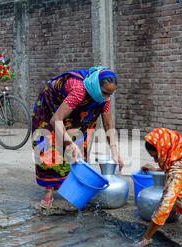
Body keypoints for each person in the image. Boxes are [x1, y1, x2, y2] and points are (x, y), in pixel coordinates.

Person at [32, 67, 124, 209]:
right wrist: (68, 143)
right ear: (96, 85)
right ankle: (49, 190)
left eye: (110, 94)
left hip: (77, 109)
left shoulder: (103, 98)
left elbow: (108, 124)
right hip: (52, 106)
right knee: (49, 143)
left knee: (79, 143)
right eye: (105, 93)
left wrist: (114, 152)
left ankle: (72, 185)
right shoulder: (79, 89)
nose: (107, 97)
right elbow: (55, 119)